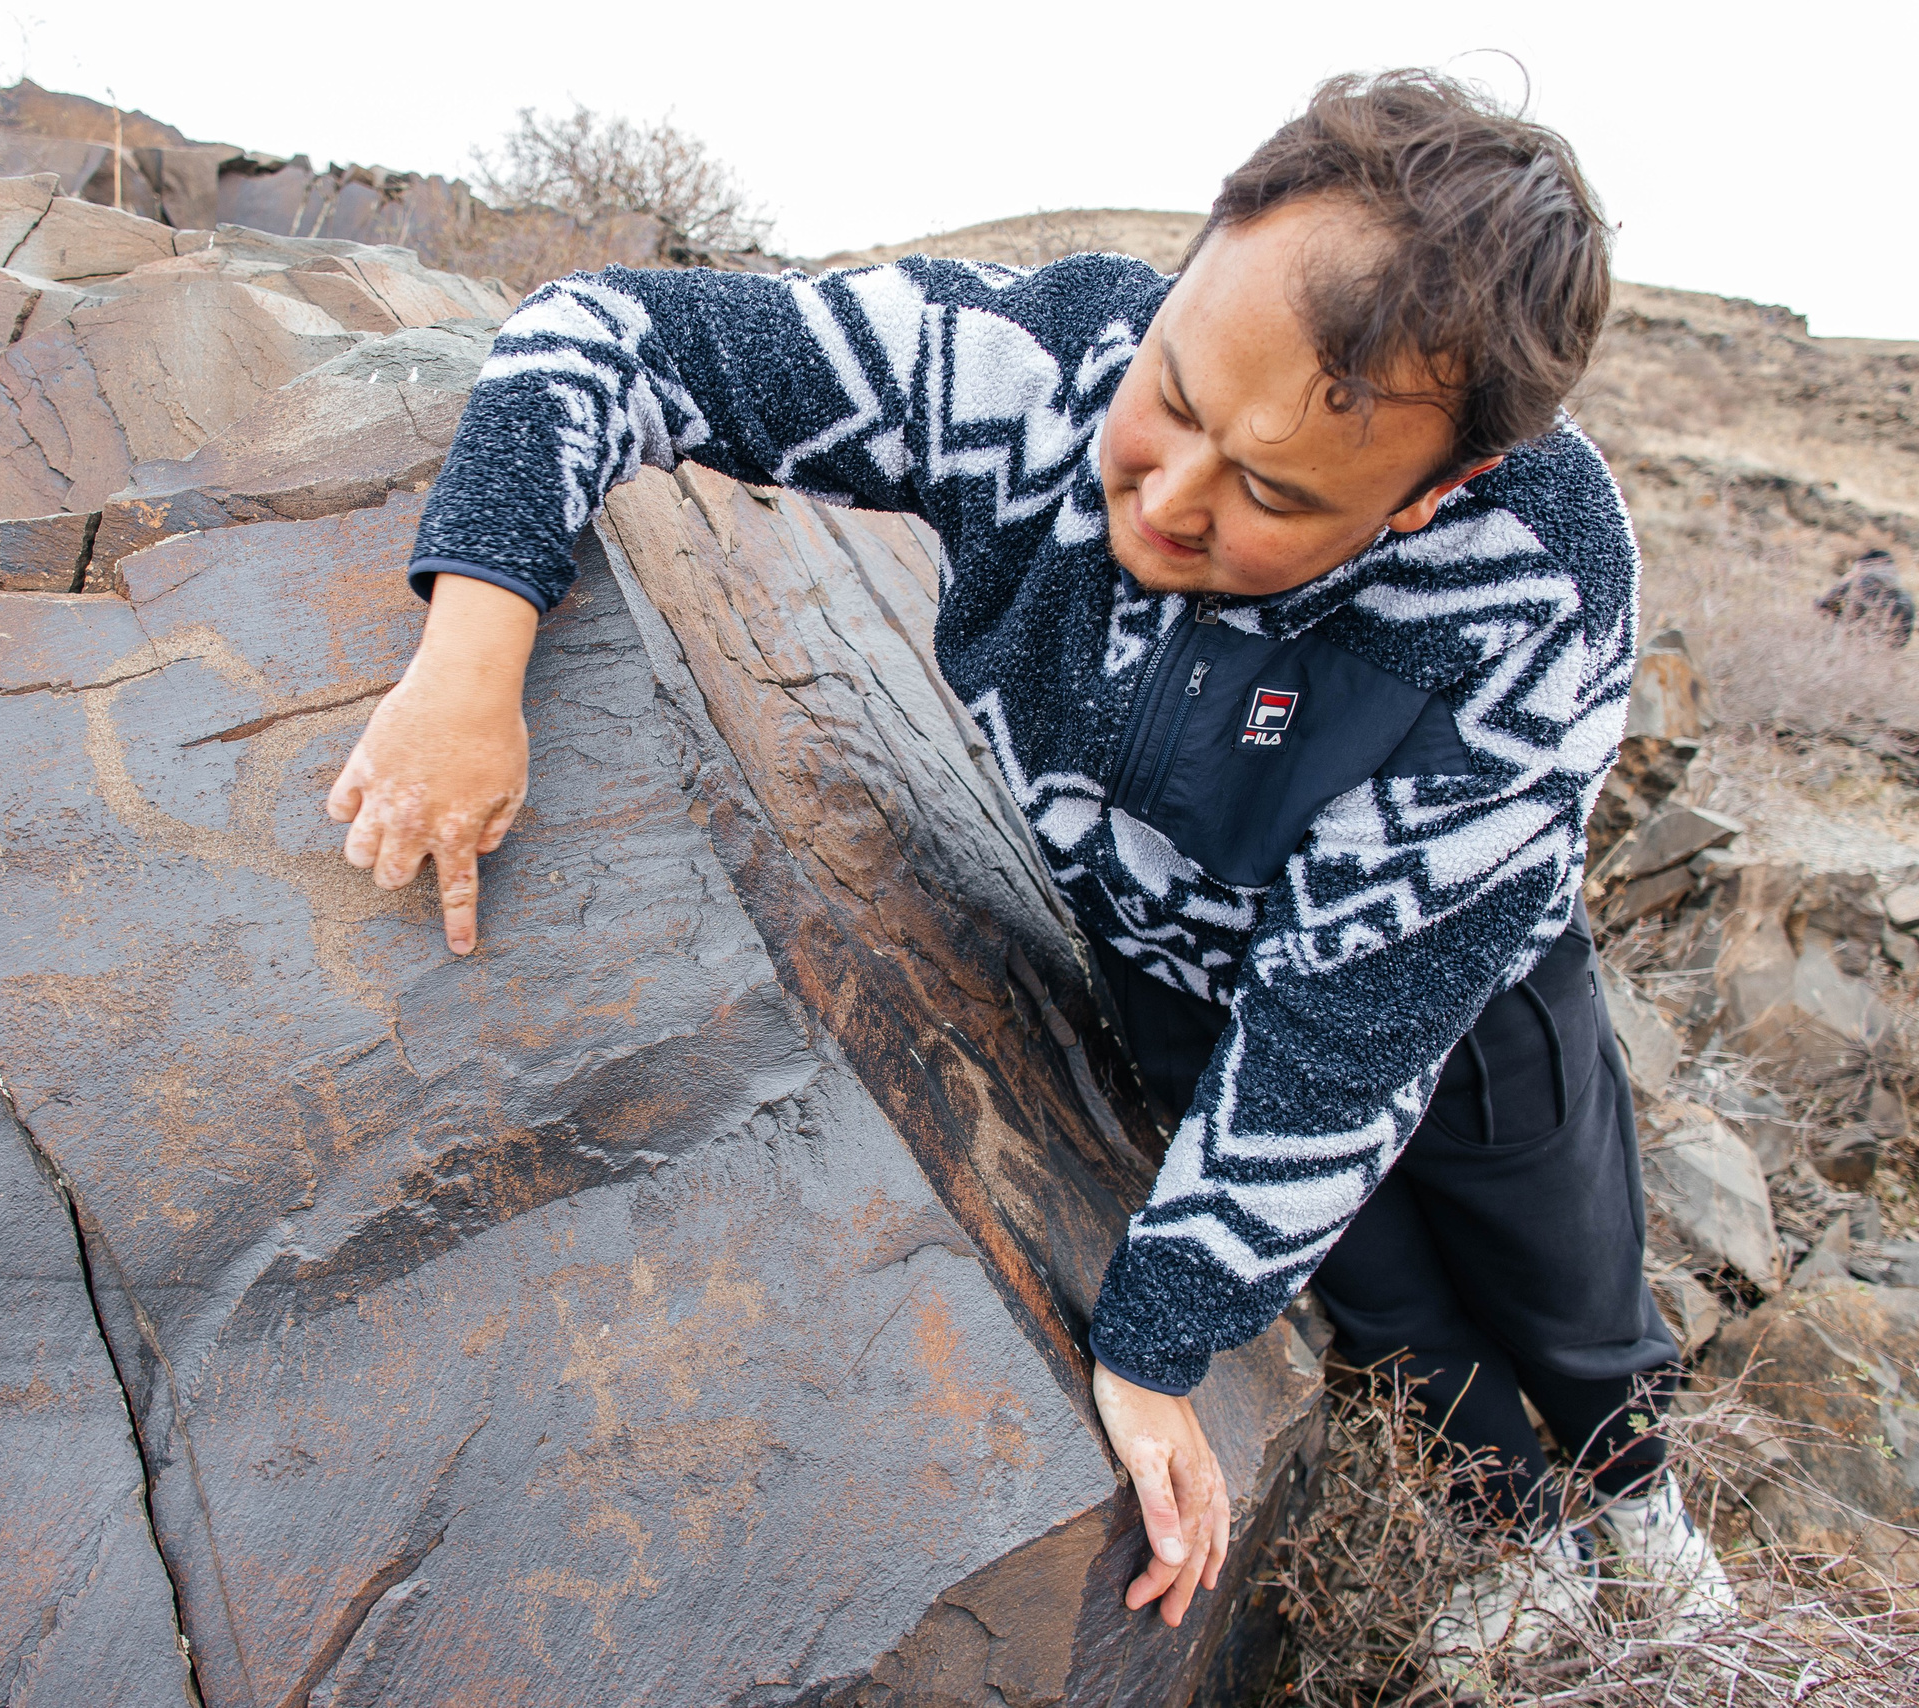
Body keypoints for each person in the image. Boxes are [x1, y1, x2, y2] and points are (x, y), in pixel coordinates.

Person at [324, 70, 1737, 1686]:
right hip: (1165, 960)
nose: (1169, 494)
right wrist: (474, 642)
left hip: (1451, 986)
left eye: (1274, 496)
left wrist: (1153, 1345)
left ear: (1434, 493)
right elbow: (605, 336)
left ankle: (1642, 1515)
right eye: (1182, 394)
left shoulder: (1538, 578)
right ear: (1196, 261)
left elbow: (1348, 1033)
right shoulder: (1041, 363)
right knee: (1385, 1299)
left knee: (1562, 1277)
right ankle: (1511, 1544)